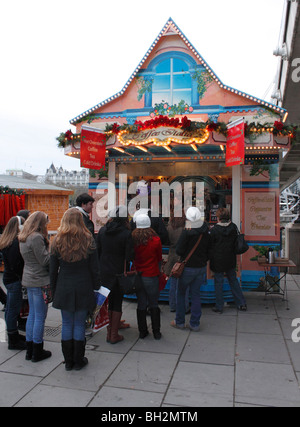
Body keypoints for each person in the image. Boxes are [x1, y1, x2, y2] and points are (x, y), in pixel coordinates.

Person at [50, 208, 101, 370]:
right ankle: (78, 360)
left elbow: (52, 270)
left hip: (64, 286)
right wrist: (96, 288)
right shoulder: (88, 239)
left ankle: (68, 361)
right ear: (80, 221)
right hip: (83, 285)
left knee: (66, 324)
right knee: (79, 324)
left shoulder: (57, 240)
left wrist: (53, 289)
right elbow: (95, 268)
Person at [96, 206, 135, 344]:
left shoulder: (102, 231)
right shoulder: (126, 233)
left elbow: (97, 251)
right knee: (117, 302)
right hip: (118, 272)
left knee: (106, 302)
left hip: (104, 272)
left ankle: (109, 331)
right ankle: (113, 334)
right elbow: (129, 256)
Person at [19, 211, 51, 362]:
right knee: (40, 316)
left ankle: (30, 348)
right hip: (39, 279)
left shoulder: (24, 237)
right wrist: (53, 250)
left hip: (29, 278)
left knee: (32, 314)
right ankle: (37, 350)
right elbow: (45, 260)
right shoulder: (36, 237)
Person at [172, 207, 210, 332]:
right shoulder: (206, 230)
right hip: (201, 266)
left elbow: (179, 250)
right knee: (196, 295)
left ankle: (180, 322)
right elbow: (210, 249)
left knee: (181, 294)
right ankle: (195, 323)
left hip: (187, 267)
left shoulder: (187, 231)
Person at [209, 207, 247, 313]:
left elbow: (210, 245)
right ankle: (241, 303)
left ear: (218, 217)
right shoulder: (233, 227)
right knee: (233, 281)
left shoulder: (214, 230)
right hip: (230, 258)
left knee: (218, 282)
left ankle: (219, 306)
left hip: (218, 259)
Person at [132, 214, 162, 340]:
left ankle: (142, 331)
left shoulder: (133, 239)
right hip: (152, 274)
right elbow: (159, 258)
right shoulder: (155, 240)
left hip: (138, 274)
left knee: (141, 303)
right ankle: (156, 331)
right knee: (153, 303)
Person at [0, 216, 25, 350]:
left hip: (9, 278)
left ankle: (13, 334)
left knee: (10, 308)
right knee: (13, 309)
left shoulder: (7, 241)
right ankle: (13, 339)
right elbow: (16, 264)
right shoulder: (15, 243)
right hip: (15, 279)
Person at [164, 211, 189, 313]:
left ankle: (172, 305)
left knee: (173, 283)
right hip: (183, 257)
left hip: (172, 256)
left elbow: (166, 241)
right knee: (184, 285)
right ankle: (185, 306)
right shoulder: (186, 227)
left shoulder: (169, 227)